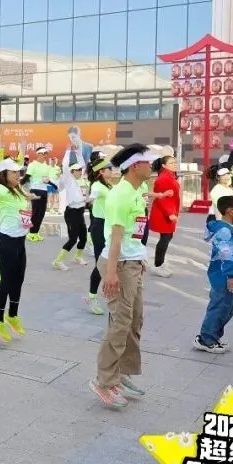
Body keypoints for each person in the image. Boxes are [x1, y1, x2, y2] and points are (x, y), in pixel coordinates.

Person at [89, 143, 156, 409]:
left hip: (133, 261)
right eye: (148, 163)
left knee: (134, 320)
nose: (152, 166)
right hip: (118, 264)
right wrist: (110, 273)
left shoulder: (138, 189)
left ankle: (120, 374)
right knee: (120, 322)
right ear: (135, 166)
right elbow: (115, 237)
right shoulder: (120, 195)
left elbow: (134, 232)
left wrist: (140, 259)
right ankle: (104, 380)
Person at [0, 159, 36, 342]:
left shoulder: (17, 188)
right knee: (6, 282)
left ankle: (12, 315)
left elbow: (26, 197)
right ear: (4, 175)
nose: (18, 174)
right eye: (13, 172)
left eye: (18, 171)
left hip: (20, 241)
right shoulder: (2, 189)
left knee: (18, 280)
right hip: (8, 242)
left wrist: (32, 197)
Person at [194, 195, 233, 353]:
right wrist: (231, 275)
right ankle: (206, 339)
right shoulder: (224, 231)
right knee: (219, 307)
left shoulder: (231, 228)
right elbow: (226, 253)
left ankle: (213, 337)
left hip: (230, 274)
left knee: (227, 308)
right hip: (224, 275)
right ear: (229, 211)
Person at [84, 155, 117, 315]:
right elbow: (92, 197)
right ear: (101, 172)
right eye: (109, 168)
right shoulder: (97, 185)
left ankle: (110, 292)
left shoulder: (109, 185)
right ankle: (92, 297)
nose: (112, 170)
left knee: (111, 261)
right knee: (100, 263)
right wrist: (89, 200)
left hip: (110, 226)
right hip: (99, 226)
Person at [51, 153, 89, 271]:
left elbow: (82, 163)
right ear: (71, 172)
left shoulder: (79, 181)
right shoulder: (68, 179)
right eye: (78, 170)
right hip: (71, 213)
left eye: (81, 170)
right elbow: (65, 165)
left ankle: (78, 256)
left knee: (83, 237)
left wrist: (78, 151)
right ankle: (58, 261)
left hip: (80, 212)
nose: (80, 172)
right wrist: (68, 151)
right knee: (73, 239)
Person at [147, 155, 181, 277]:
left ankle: (160, 263)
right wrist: (170, 213)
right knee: (166, 237)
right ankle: (158, 265)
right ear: (164, 165)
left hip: (169, 211)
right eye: (171, 163)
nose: (174, 164)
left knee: (167, 236)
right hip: (164, 213)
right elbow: (162, 198)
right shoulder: (163, 178)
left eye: (174, 162)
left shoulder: (169, 176)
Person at [23, 148, 57, 241]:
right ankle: (31, 233)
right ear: (38, 154)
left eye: (46, 153)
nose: (45, 155)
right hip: (35, 190)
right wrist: (18, 185)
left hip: (44, 190)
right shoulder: (32, 165)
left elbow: (46, 180)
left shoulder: (46, 166)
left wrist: (53, 185)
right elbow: (27, 177)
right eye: (43, 153)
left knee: (42, 213)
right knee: (36, 212)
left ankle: (36, 233)